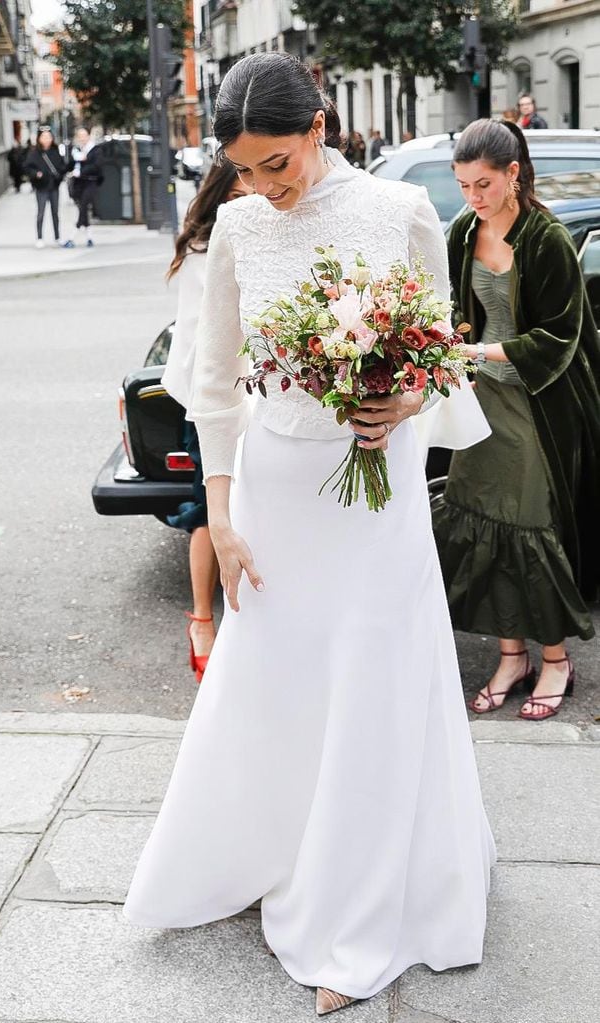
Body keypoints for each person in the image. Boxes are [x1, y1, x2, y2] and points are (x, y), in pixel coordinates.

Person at [123, 52, 495, 1016]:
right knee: (278, 677)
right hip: (280, 492)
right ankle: (267, 849)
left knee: (374, 680)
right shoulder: (239, 227)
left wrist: (407, 392)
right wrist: (222, 511)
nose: (260, 186)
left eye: (275, 163)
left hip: (378, 492)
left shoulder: (399, 214)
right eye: (244, 168)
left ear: (321, 127)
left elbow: (441, 357)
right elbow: (210, 385)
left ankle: (355, 912)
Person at [433, 119, 600, 720]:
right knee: (479, 520)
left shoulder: (546, 237)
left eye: (483, 184)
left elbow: (559, 339)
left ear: (514, 174)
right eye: (462, 185)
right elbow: (451, 310)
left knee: (529, 528)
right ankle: (512, 656)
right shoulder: (460, 232)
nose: (472, 197)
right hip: (479, 403)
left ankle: (554, 659)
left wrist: (480, 352)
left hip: (540, 404)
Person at [161, 161, 252, 683]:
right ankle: (201, 620)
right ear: (220, 196)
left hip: (248, 393)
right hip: (207, 397)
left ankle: (237, 623)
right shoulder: (204, 251)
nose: (252, 200)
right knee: (208, 508)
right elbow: (201, 342)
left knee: (244, 506)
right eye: (240, 194)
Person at [24, 126, 68, 248]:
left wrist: (59, 176)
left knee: (55, 213)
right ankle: (39, 237)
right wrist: (36, 174)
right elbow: (27, 167)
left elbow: (62, 167)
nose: (46, 139)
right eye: (44, 137)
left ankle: (57, 237)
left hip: (54, 186)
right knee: (41, 212)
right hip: (41, 187)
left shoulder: (56, 151)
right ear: (39, 139)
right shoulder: (34, 153)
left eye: (49, 137)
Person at [63, 127, 104, 248]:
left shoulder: (95, 150)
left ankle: (72, 236)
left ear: (88, 136)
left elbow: (97, 166)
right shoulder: (76, 150)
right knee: (83, 208)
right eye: (79, 136)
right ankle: (89, 238)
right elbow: (69, 165)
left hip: (91, 182)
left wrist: (82, 171)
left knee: (84, 206)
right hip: (78, 184)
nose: (82, 138)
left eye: (84, 135)